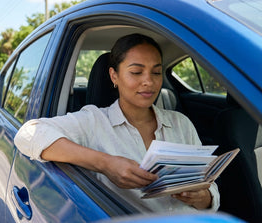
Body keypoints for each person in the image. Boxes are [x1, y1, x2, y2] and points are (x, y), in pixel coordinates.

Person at [14, 34, 219, 212]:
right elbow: (28, 134)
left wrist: (203, 197)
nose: (149, 81)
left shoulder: (181, 123)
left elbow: (210, 188)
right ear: (114, 76)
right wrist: (106, 164)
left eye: (156, 72)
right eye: (137, 72)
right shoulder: (94, 121)